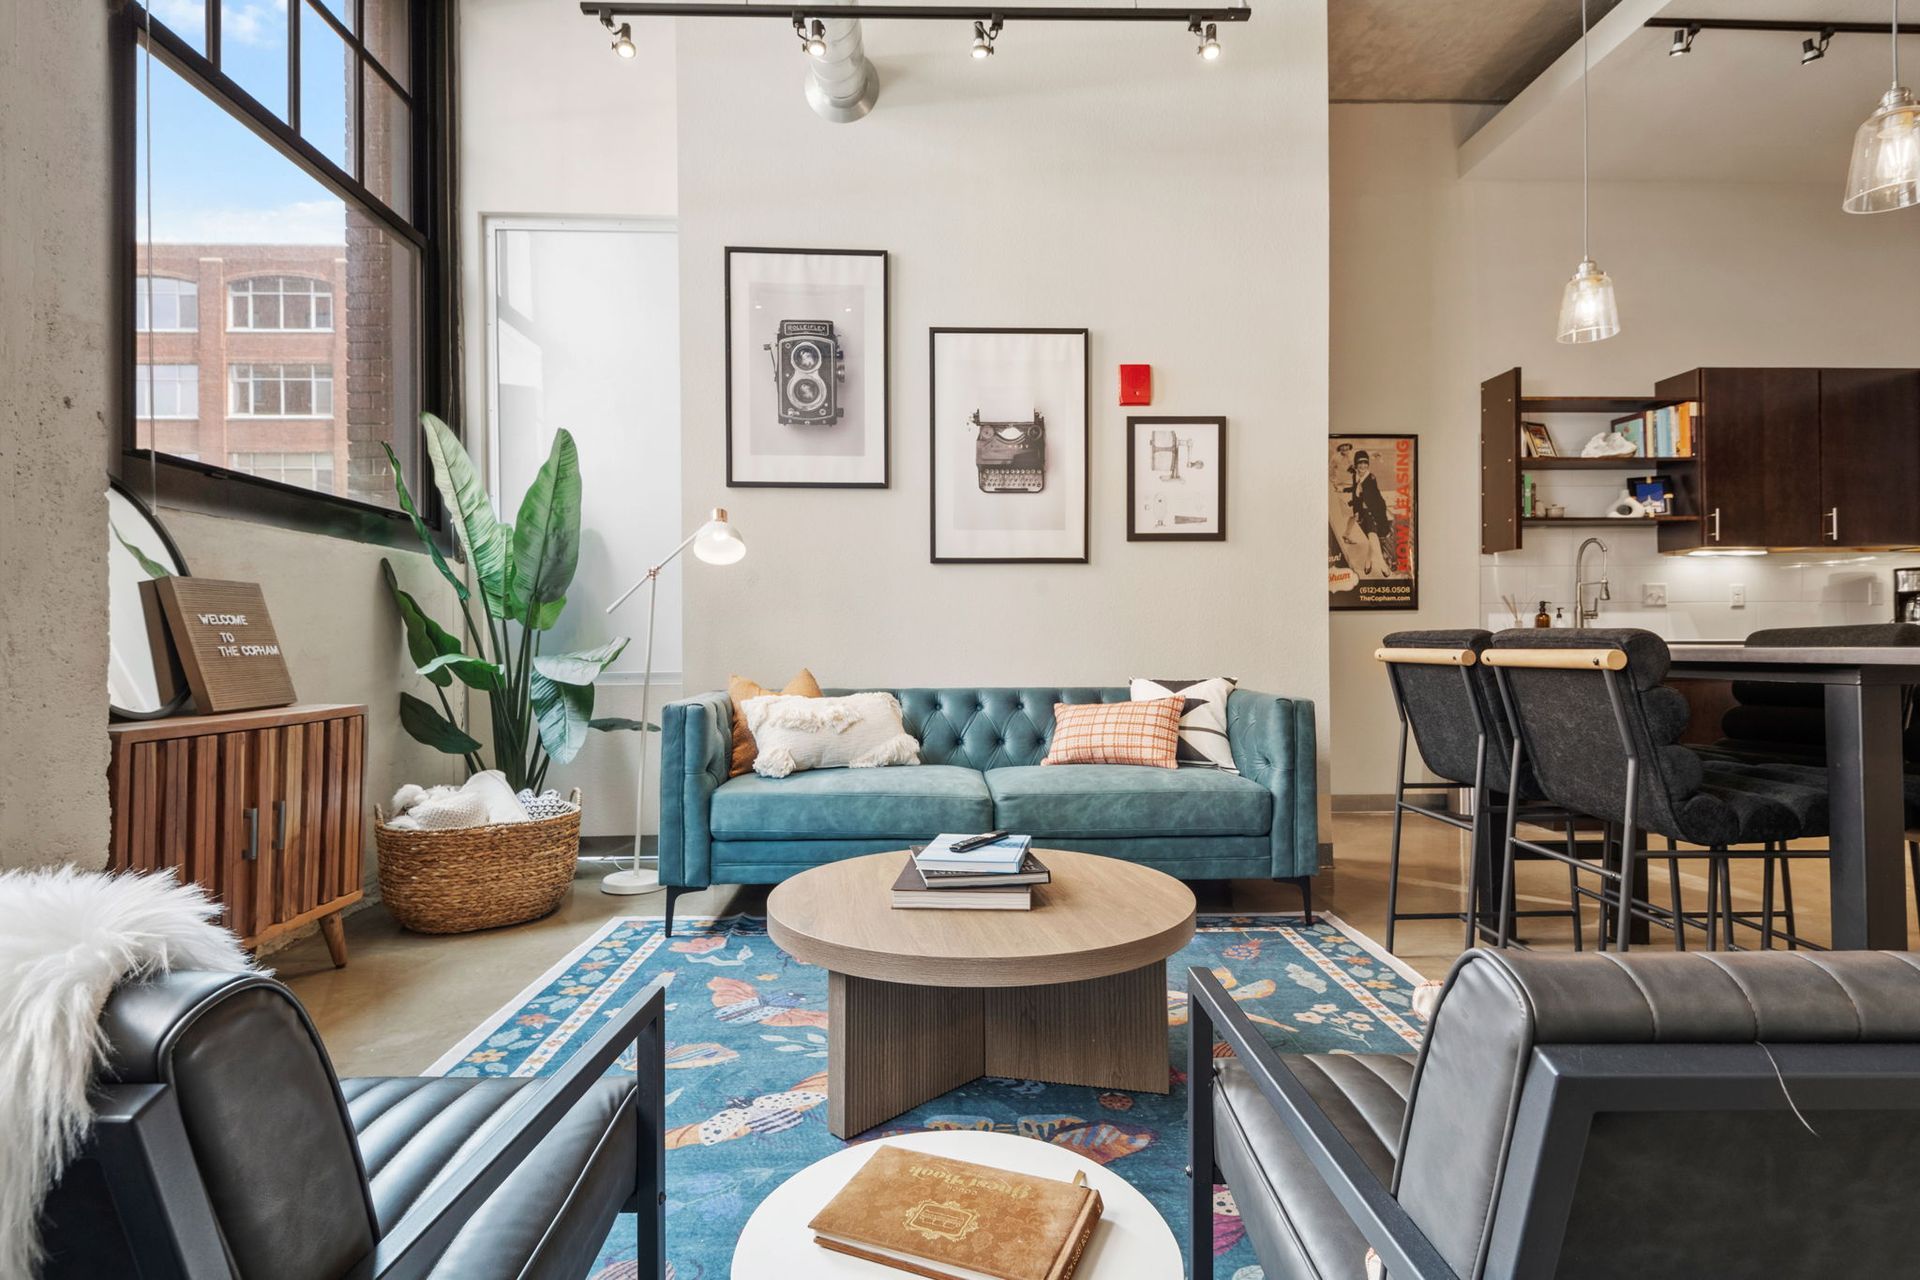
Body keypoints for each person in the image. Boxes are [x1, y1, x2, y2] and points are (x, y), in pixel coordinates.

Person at [1349, 450, 1393, 577]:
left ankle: (1382, 566)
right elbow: (1355, 494)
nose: (1363, 466)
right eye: (1360, 463)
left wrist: (1379, 517)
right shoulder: (1355, 475)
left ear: (1368, 465)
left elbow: (1374, 500)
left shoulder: (1370, 478)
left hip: (1375, 512)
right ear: (1356, 465)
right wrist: (1356, 511)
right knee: (1372, 540)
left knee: (1373, 538)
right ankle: (1368, 561)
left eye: (1365, 463)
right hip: (1364, 513)